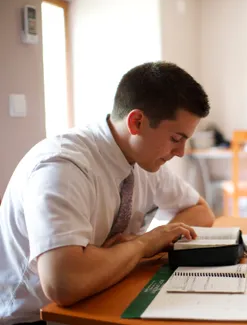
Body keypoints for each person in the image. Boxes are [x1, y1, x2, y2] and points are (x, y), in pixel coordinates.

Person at [0, 62, 215, 325]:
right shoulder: (62, 167)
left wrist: (121, 255)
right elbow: (63, 284)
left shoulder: (144, 158)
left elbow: (201, 211)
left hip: (103, 294)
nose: (181, 152)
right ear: (137, 122)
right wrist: (142, 245)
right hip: (34, 317)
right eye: (176, 138)